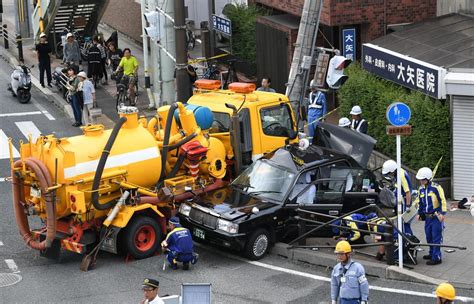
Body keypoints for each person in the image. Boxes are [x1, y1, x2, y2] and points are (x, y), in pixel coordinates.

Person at [416, 167, 447, 265]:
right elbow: (420, 203)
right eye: (420, 179)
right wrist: (419, 214)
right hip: (427, 218)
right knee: (428, 236)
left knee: (436, 237)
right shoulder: (420, 189)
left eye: (423, 179)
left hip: (436, 217)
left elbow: (443, 200)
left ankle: (437, 257)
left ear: (428, 178)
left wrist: (442, 213)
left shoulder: (436, 187)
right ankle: (432, 253)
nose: (421, 181)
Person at [382, 159, 414, 235]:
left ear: (392, 170)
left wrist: (407, 206)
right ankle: (408, 240)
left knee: (403, 223)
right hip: (402, 200)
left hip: (404, 201)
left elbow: (407, 192)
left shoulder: (401, 176)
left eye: (389, 173)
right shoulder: (399, 171)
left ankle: (407, 241)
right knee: (403, 223)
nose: (389, 175)